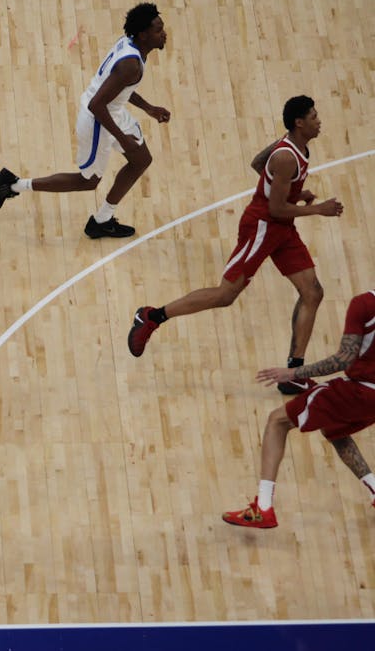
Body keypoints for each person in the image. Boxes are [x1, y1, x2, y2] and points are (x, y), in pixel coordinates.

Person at [127, 96, 344, 394]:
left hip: (282, 229)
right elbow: (277, 208)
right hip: (263, 227)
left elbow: (258, 164)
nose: (319, 121)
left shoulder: (294, 148)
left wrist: (293, 190)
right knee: (226, 294)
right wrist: (318, 209)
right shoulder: (285, 157)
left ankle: (293, 371)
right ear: (299, 122)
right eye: (314, 116)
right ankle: (151, 317)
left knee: (313, 292)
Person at [0, 2, 170, 239]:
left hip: (112, 111)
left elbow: (119, 89)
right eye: (158, 30)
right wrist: (122, 139)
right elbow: (98, 104)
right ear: (144, 34)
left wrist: (149, 108)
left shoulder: (131, 48)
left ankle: (103, 220)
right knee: (88, 181)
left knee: (141, 160)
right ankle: (12, 184)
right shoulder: (130, 64)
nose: (164, 33)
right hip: (98, 119)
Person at [222, 289, 375, 528]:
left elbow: (343, 359)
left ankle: (263, 507)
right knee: (334, 428)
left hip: (360, 390)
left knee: (277, 421)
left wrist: (294, 372)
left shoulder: (364, 304)